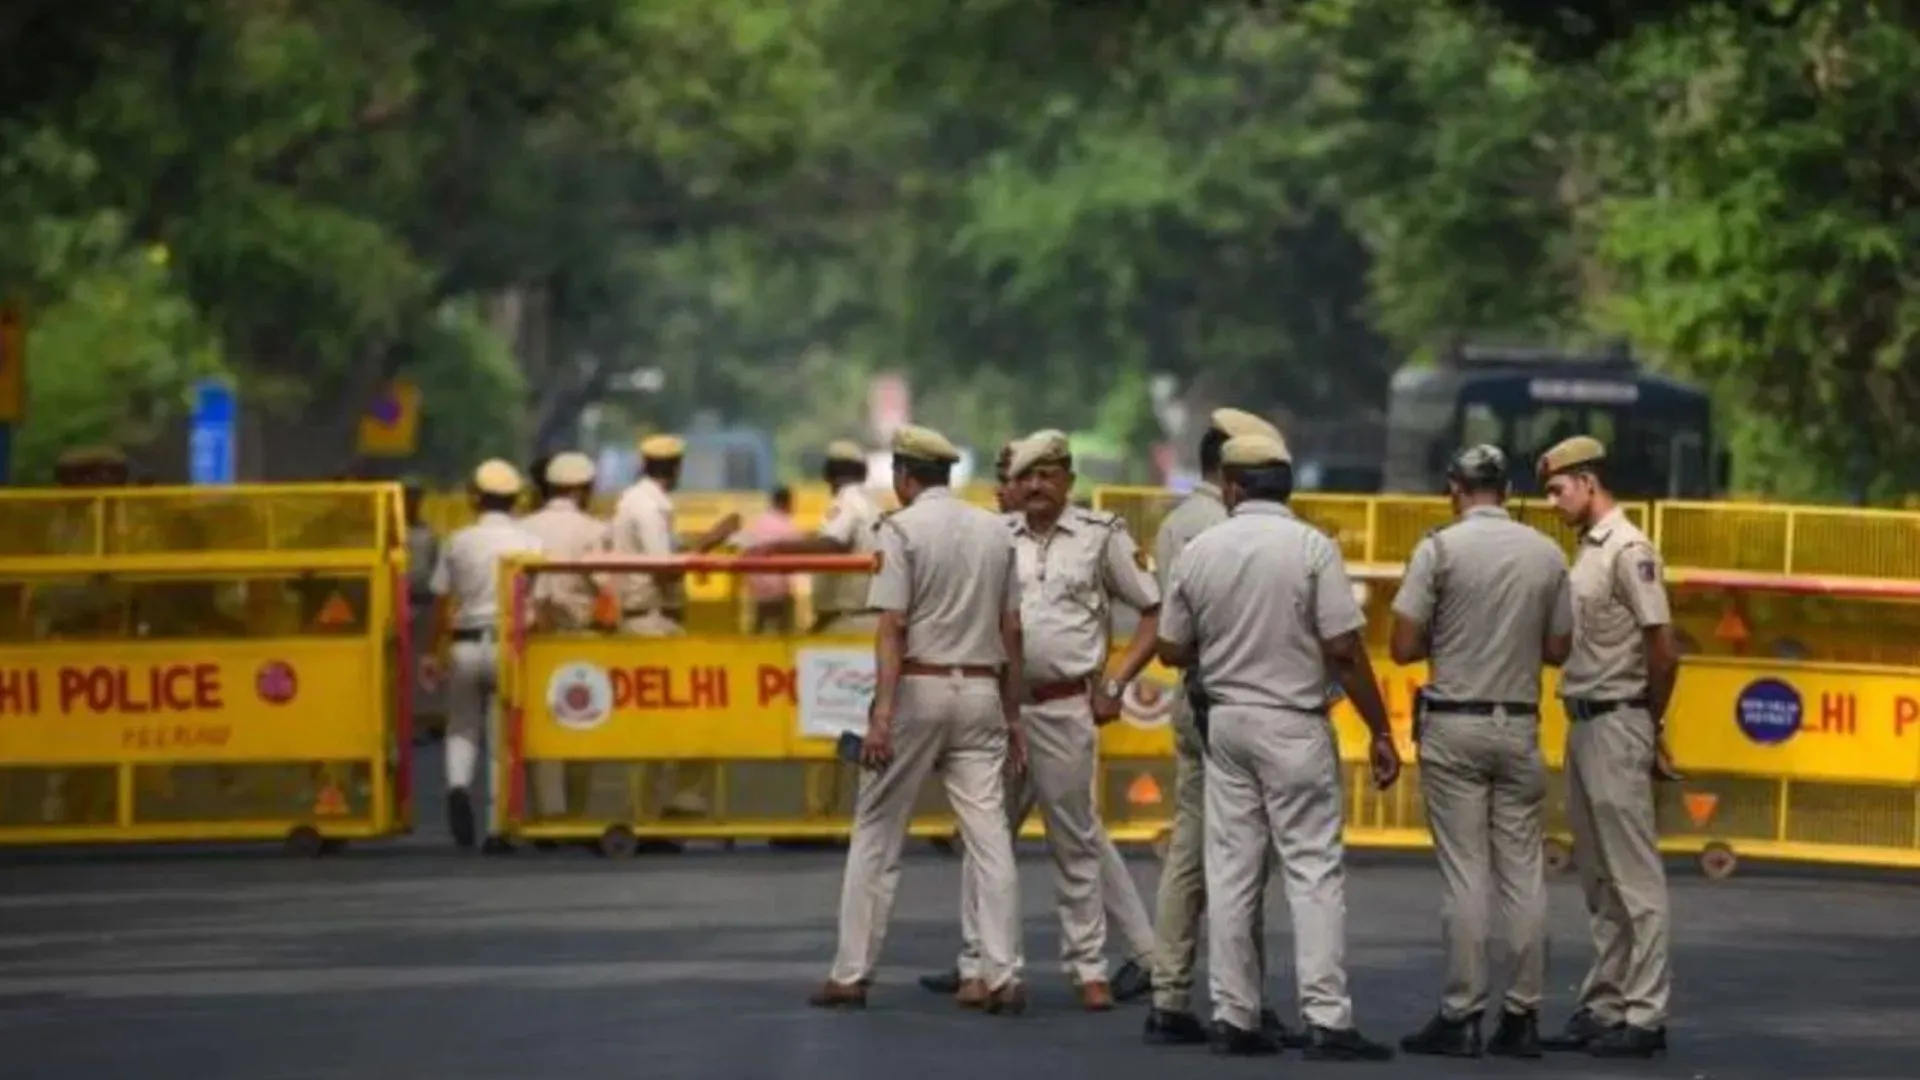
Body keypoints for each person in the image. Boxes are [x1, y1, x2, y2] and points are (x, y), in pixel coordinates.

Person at [1156, 431, 1398, 1059]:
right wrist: (1380, 729)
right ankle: (1326, 1018)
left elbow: (1172, 648)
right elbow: (1344, 649)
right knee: (1313, 873)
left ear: (1233, 486)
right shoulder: (1313, 548)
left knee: (1232, 872)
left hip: (1227, 723)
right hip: (1293, 722)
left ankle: (1235, 1017)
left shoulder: (1202, 549)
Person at [920, 437, 1160, 1003]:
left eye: (1045, 475)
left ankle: (1090, 969)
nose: (1032, 487)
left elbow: (1153, 611)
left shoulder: (1101, 537)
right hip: (997, 709)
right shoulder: (991, 537)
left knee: (1074, 840)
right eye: (1022, 477)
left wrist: (1116, 685)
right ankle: (982, 963)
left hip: (1065, 705)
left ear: (1067, 480)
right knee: (987, 838)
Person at [808, 424, 1029, 1014]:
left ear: (905, 478)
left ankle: (851, 973)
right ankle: (1002, 973)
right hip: (982, 689)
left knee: (878, 832)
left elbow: (892, 626)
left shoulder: (899, 530)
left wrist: (881, 715)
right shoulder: (994, 530)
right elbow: (1013, 630)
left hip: (918, 688)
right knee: (989, 839)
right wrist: (1012, 715)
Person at [1389, 444, 1572, 1059]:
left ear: (1454, 488)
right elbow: (1558, 648)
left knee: (1466, 872)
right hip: (1518, 724)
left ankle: (1461, 1012)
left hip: (1455, 724)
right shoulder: (1547, 553)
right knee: (1523, 872)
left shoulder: (1438, 549)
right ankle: (1522, 1016)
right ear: (1508, 489)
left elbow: (1403, 644)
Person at [1145, 407, 1299, 1046]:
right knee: (1239, 859)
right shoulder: (1226, 528)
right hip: (1230, 702)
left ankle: (1173, 990)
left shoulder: (1180, 523)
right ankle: (1239, 999)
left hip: (1198, 698)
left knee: (1194, 850)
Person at [1535, 435, 1679, 1059]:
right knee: (1598, 878)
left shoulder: (1628, 548)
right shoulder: (1588, 553)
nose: (1551, 501)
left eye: (1558, 488)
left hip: (1619, 718)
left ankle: (1645, 1015)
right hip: (1586, 720)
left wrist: (1651, 722)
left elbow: (1663, 647)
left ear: (1589, 482)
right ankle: (1607, 1003)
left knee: (1635, 880)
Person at [608, 434, 739, 826]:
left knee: (653, 725)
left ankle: (651, 808)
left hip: (648, 620)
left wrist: (706, 541)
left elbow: (671, 550)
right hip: (651, 622)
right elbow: (664, 567)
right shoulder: (648, 507)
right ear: (676, 468)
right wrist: (711, 541)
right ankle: (674, 800)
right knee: (692, 715)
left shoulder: (640, 501)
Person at [421, 459, 544, 852]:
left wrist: (430, 651)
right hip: (509, 646)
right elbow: (536, 605)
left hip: (464, 642)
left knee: (461, 727)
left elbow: (442, 603)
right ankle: (496, 828)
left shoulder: (457, 541)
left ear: (475, 499)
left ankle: (458, 787)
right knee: (500, 736)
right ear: (516, 501)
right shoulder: (530, 544)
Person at [516, 452, 613, 822]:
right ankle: (575, 813)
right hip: (580, 638)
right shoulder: (592, 530)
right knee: (581, 723)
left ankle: (546, 813)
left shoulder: (523, 528)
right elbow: (605, 588)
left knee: (540, 728)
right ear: (578, 489)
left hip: (532, 641)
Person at [741, 486, 802, 634]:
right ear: (786, 503)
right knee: (785, 630)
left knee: (759, 627)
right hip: (780, 590)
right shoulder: (788, 526)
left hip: (757, 590)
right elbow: (798, 555)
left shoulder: (757, 523)